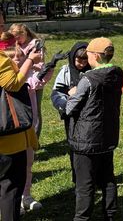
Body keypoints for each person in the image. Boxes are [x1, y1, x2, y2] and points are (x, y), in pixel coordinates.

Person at [65, 37, 123, 221]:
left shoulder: (88, 79)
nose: (87, 57)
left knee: (85, 184)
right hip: (108, 134)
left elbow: (69, 108)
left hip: (86, 138)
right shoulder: (117, 73)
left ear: (96, 56)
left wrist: (72, 94)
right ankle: (110, 214)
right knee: (107, 178)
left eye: (88, 54)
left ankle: (82, 218)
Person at [8, 23, 51, 212]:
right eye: (14, 58)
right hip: (10, 132)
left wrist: (50, 65)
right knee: (12, 167)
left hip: (27, 129)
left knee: (28, 163)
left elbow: (39, 79)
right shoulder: (7, 82)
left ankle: (26, 196)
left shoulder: (28, 82)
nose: (18, 61)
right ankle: (13, 200)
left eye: (20, 57)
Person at [0, 38, 42, 221]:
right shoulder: (2, 60)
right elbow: (13, 83)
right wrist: (30, 60)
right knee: (10, 188)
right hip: (9, 140)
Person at [50, 42, 90, 183]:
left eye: (85, 61)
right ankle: (77, 179)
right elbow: (56, 94)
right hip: (72, 116)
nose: (82, 64)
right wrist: (67, 103)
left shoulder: (92, 72)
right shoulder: (66, 72)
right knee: (75, 147)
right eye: (79, 60)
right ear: (72, 58)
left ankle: (92, 177)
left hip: (90, 116)